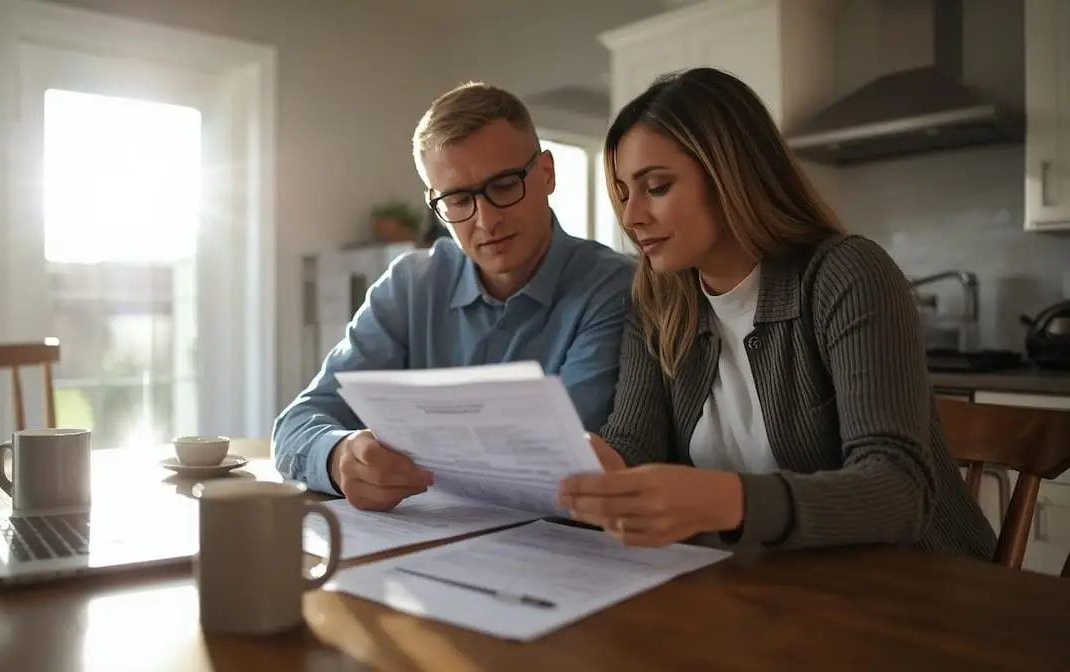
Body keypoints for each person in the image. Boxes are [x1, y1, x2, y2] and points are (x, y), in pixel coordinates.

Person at [556, 67, 997, 560]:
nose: (631, 217)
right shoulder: (658, 301)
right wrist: (582, 463)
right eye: (623, 193)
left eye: (656, 187)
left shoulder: (844, 275)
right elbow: (633, 445)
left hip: (918, 590)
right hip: (779, 590)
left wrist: (729, 500)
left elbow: (898, 491)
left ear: (731, 174)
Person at [274, 82, 636, 511]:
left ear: (546, 174)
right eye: (458, 199)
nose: (486, 221)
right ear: (434, 203)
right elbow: (296, 423)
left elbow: (562, 461)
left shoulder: (612, 286)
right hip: (416, 549)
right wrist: (338, 457)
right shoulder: (410, 284)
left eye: (504, 186)